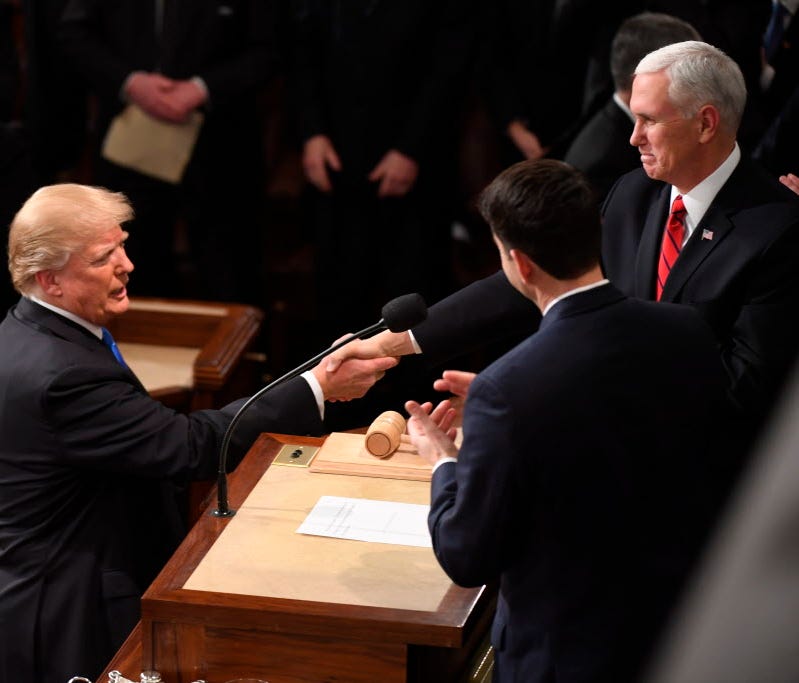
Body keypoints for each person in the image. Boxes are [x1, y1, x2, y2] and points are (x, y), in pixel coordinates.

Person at [0, 184, 396, 683]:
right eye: (105, 257)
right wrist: (317, 385)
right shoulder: (62, 373)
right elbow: (189, 446)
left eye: (123, 244)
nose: (127, 264)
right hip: (72, 611)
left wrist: (315, 375)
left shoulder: (28, 334)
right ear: (50, 280)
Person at [327, 40, 799, 454]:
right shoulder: (632, 194)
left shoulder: (779, 230)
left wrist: (539, 399)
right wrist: (389, 345)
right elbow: (532, 281)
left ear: (705, 124)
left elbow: (740, 393)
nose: (633, 137)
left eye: (648, 120)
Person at [404, 159, 733, 683]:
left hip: (562, 656)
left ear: (520, 265)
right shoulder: (687, 330)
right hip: (680, 636)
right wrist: (506, 408)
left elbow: (465, 555)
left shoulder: (506, 392)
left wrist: (444, 460)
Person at [286, 0, 477, 346]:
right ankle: (341, 394)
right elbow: (301, 55)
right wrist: (311, 133)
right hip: (336, 162)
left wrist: (410, 150)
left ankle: (414, 396)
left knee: (415, 293)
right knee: (339, 297)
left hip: (417, 168)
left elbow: (450, 67)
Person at [58, 0, 276, 303]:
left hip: (222, 144)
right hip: (130, 140)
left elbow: (270, 46)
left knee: (230, 270)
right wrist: (130, 82)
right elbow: (74, 32)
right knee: (133, 266)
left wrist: (202, 88)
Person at [564, 12, 700, 199]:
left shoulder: (614, 129)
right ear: (645, 75)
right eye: (687, 71)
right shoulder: (602, 165)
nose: (696, 84)